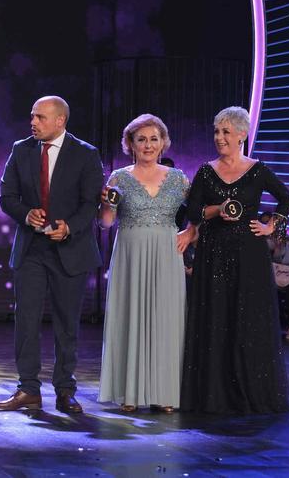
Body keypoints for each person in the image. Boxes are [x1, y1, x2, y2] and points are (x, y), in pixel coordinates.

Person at [180, 106, 289, 414]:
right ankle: (214, 391)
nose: (220, 137)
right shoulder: (206, 170)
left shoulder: (257, 170)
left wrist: (272, 225)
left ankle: (248, 388)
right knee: (215, 316)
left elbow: (286, 198)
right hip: (213, 251)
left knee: (247, 318)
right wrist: (216, 210)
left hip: (249, 252)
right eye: (217, 132)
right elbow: (191, 213)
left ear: (242, 135)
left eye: (226, 132)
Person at [0, 96, 103, 414]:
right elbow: (6, 196)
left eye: (40, 117)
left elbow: (90, 204)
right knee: (26, 321)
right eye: (32, 116)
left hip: (70, 250)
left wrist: (69, 227)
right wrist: (26, 214)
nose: (33, 122)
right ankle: (28, 389)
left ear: (60, 121)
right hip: (32, 249)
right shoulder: (21, 149)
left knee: (66, 323)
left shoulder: (86, 154)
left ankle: (65, 390)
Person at [97, 114, 191, 414]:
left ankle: (165, 393)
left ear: (163, 142)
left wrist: (191, 232)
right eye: (141, 139)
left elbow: (200, 214)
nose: (148, 145)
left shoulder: (179, 179)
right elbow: (106, 222)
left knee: (165, 318)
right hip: (130, 252)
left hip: (167, 252)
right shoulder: (118, 178)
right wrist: (106, 205)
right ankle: (130, 392)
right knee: (131, 314)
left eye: (154, 139)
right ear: (130, 144)